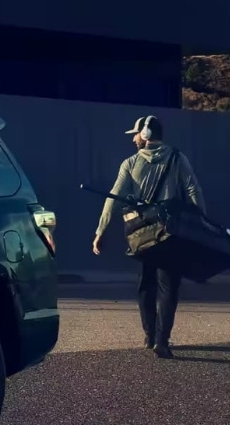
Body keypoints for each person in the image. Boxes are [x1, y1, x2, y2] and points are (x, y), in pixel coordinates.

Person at [92, 115, 206, 359]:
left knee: (145, 284)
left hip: (143, 234)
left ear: (145, 135)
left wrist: (100, 231)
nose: (133, 139)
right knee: (168, 287)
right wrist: (202, 224)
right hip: (172, 233)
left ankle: (149, 335)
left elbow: (113, 197)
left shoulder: (130, 163)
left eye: (135, 134)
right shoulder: (178, 158)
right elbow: (193, 190)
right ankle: (162, 340)